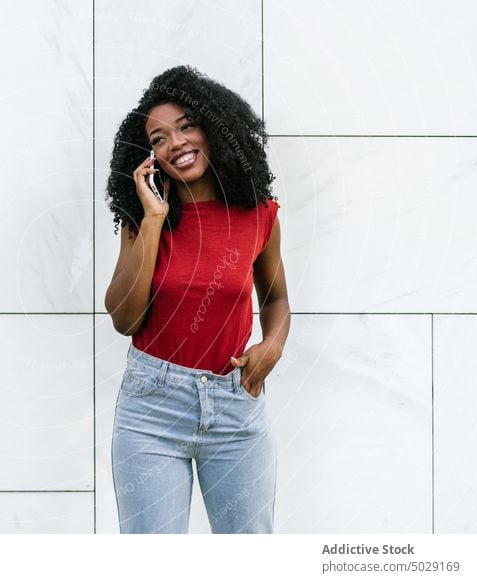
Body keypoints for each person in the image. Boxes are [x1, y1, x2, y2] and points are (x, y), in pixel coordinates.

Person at [104, 65, 290, 534]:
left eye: (187, 126)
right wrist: (152, 219)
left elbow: (276, 298)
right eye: (160, 138)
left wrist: (272, 345)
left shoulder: (259, 214)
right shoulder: (142, 220)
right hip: (152, 409)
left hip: (235, 405)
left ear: (212, 126)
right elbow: (125, 319)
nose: (177, 143)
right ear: (151, 156)